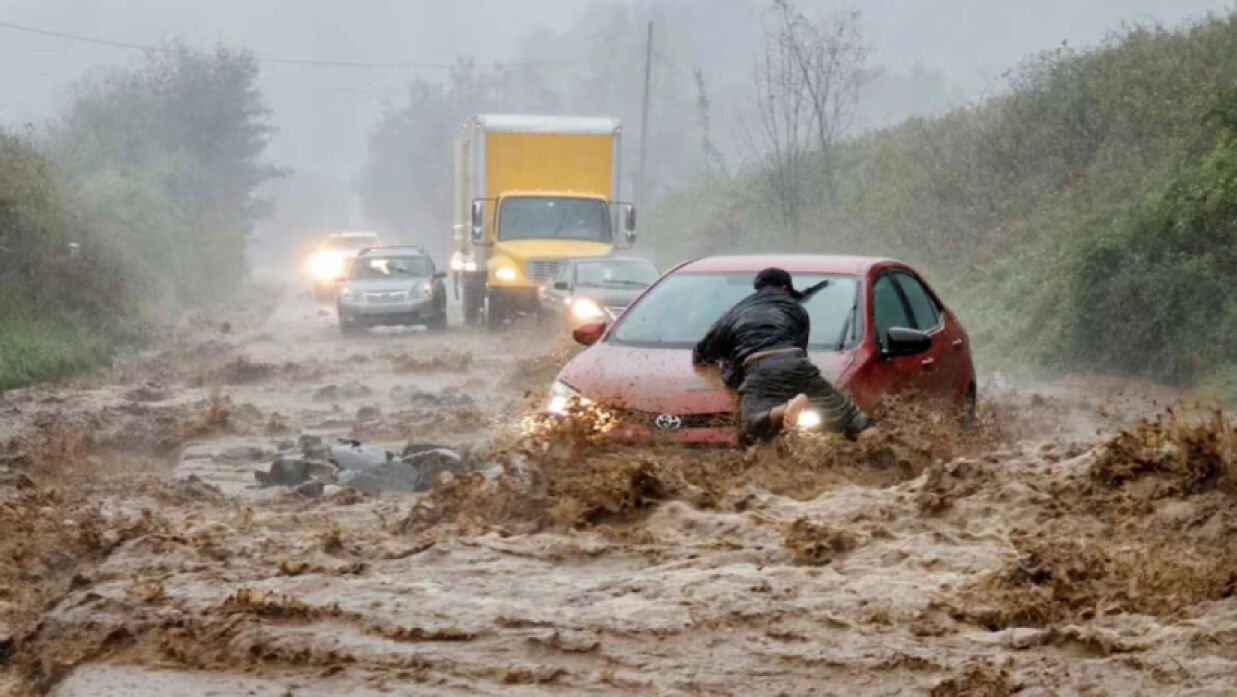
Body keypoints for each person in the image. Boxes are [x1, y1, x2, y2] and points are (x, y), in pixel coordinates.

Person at [692, 267, 872, 446]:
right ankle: (878, 447)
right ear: (786, 289)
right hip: (797, 363)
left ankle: (782, 410)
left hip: (760, 368)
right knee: (854, 418)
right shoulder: (796, 309)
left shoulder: (734, 313)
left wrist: (728, 362)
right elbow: (800, 349)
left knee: (748, 430)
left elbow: (702, 353)